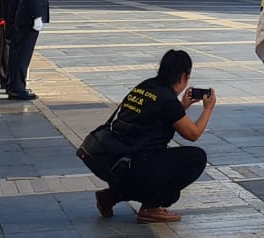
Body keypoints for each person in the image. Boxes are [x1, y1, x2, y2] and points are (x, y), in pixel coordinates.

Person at [80, 49, 216, 223]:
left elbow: (155, 119)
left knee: (158, 159)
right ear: (183, 76)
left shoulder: (145, 86)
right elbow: (193, 134)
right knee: (195, 158)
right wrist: (208, 109)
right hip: (137, 167)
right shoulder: (167, 100)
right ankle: (151, 207)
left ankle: (111, 196)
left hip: (115, 164)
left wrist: (183, 105)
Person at [0, 0, 50, 101]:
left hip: (27, 16)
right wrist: (36, 16)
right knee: (22, 53)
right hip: (28, 17)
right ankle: (17, 87)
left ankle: (15, 84)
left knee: (19, 53)